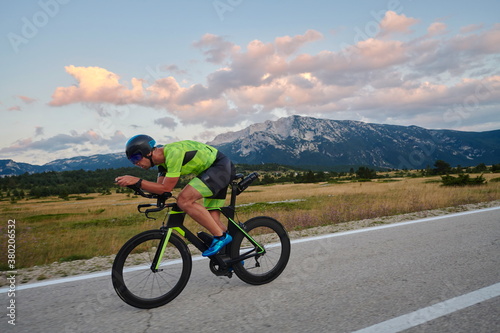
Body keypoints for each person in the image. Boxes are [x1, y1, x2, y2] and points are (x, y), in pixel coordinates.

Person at [115, 135, 235, 257]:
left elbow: (166, 188)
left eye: (136, 158)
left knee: (184, 200)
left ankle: (221, 237)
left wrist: (137, 181)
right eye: (132, 161)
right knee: (214, 223)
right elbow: (160, 190)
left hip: (219, 167)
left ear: (148, 152)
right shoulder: (162, 164)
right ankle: (232, 258)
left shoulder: (173, 153)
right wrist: (135, 186)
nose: (136, 163)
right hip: (215, 170)